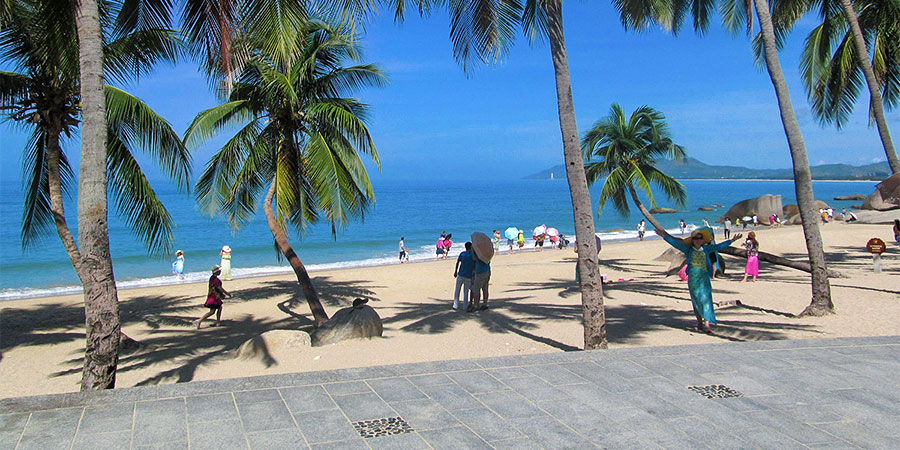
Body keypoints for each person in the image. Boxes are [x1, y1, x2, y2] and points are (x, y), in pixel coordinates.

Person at [656, 227, 741, 333]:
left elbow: (719, 246)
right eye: (696, 238)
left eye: (700, 238)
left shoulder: (706, 249)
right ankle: (699, 323)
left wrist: (732, 240)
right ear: (692, 240)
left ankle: (707, 324)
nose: (698, 240)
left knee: (706, 299)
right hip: (693, 278)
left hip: (704, 277)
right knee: (696, 300)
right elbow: (675, 244)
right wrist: (663, 236)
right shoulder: (688, 249)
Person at [453, 242, 475, 310]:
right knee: (466, 291)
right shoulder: (473, 255)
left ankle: (455, 305)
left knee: (457, 290)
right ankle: (465, 306)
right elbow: (475, 265)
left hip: (461, 274)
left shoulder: (462, 254)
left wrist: (455, 271)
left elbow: (457, 262)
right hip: (468, 275)